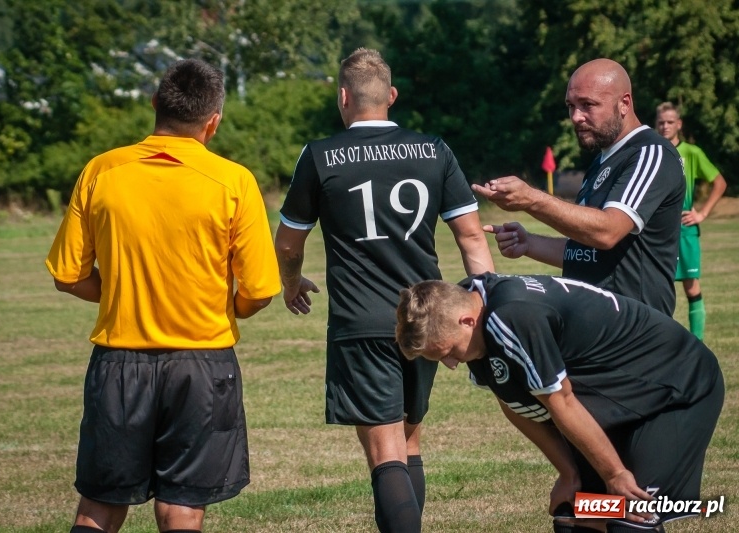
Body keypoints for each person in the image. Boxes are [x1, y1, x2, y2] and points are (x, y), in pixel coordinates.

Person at [45, 59, 281, 533]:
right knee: (182, 509)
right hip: (202, 364)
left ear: (155, 103)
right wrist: (225, 307)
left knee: (98, 506)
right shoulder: (234, 180)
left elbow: (68, 276)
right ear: (213, 121)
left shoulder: (101, 170)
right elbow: (258, 292)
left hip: (119, 363)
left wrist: (124, 292)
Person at [274, 48, 494, 533]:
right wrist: (486, 307)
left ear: (343, 97)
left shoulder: (320, 155)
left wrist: (291, 283)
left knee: (384, 452)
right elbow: (472, 238)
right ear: (391, 96)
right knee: (409, 442)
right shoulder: (434, 149)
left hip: (363, 320)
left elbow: (288, 242)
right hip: (428, 317)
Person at [396, 273, 723, 533]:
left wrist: (615, 474)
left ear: (466, 321)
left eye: (448, 352)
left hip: (675, 386)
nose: (451, 364)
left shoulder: (512, 316)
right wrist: (569, 472)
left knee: (631, 514)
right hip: (619, 403)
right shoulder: (469, 305)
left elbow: (561, 401)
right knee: (577, 513)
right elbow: (512, 402)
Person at [473, 58, 685, 316]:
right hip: (593, 323)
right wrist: (528, 243)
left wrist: (532, 199)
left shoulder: (651, 153)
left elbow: (608, 232)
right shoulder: (600, 162)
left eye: (588, 105)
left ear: (624, 103)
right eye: (571, 106)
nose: (576, 117)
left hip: (635, 327)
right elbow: (586, 251)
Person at [655, 101, 727, 339]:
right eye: (661, 122)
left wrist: (702, 213)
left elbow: (719, 183)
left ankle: (698, 344)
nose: (665, 126)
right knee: (658, 289)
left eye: (670, 122)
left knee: (691, 286)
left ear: (679, 124)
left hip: (685, 230)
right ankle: (659, 344)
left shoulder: (692, 153)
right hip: (658, 231)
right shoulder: (652, 151)